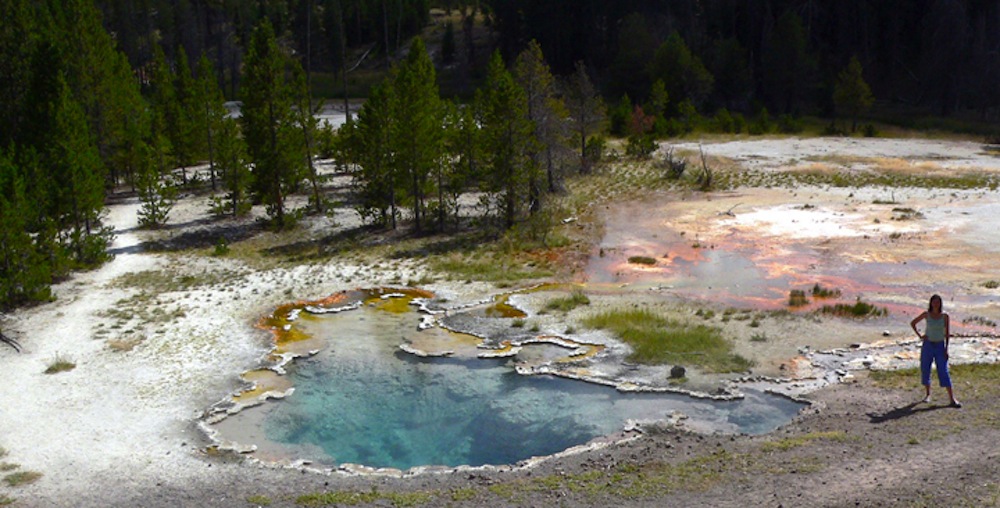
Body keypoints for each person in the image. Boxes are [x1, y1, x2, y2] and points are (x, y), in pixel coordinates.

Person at [910, 294, 961, 407]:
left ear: (940, 303)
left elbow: (947, 333)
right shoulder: (926, 314)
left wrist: (946, 349)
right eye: (934, 302)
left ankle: (952, 399)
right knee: (925, 368)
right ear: (931, 303)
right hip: (928, 345)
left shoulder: (945, 316)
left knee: (943, 370)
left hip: (939, 345)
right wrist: (920, 335)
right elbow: (913, 323)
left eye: (938, 302)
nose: (936, 304)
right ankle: (928, 394)